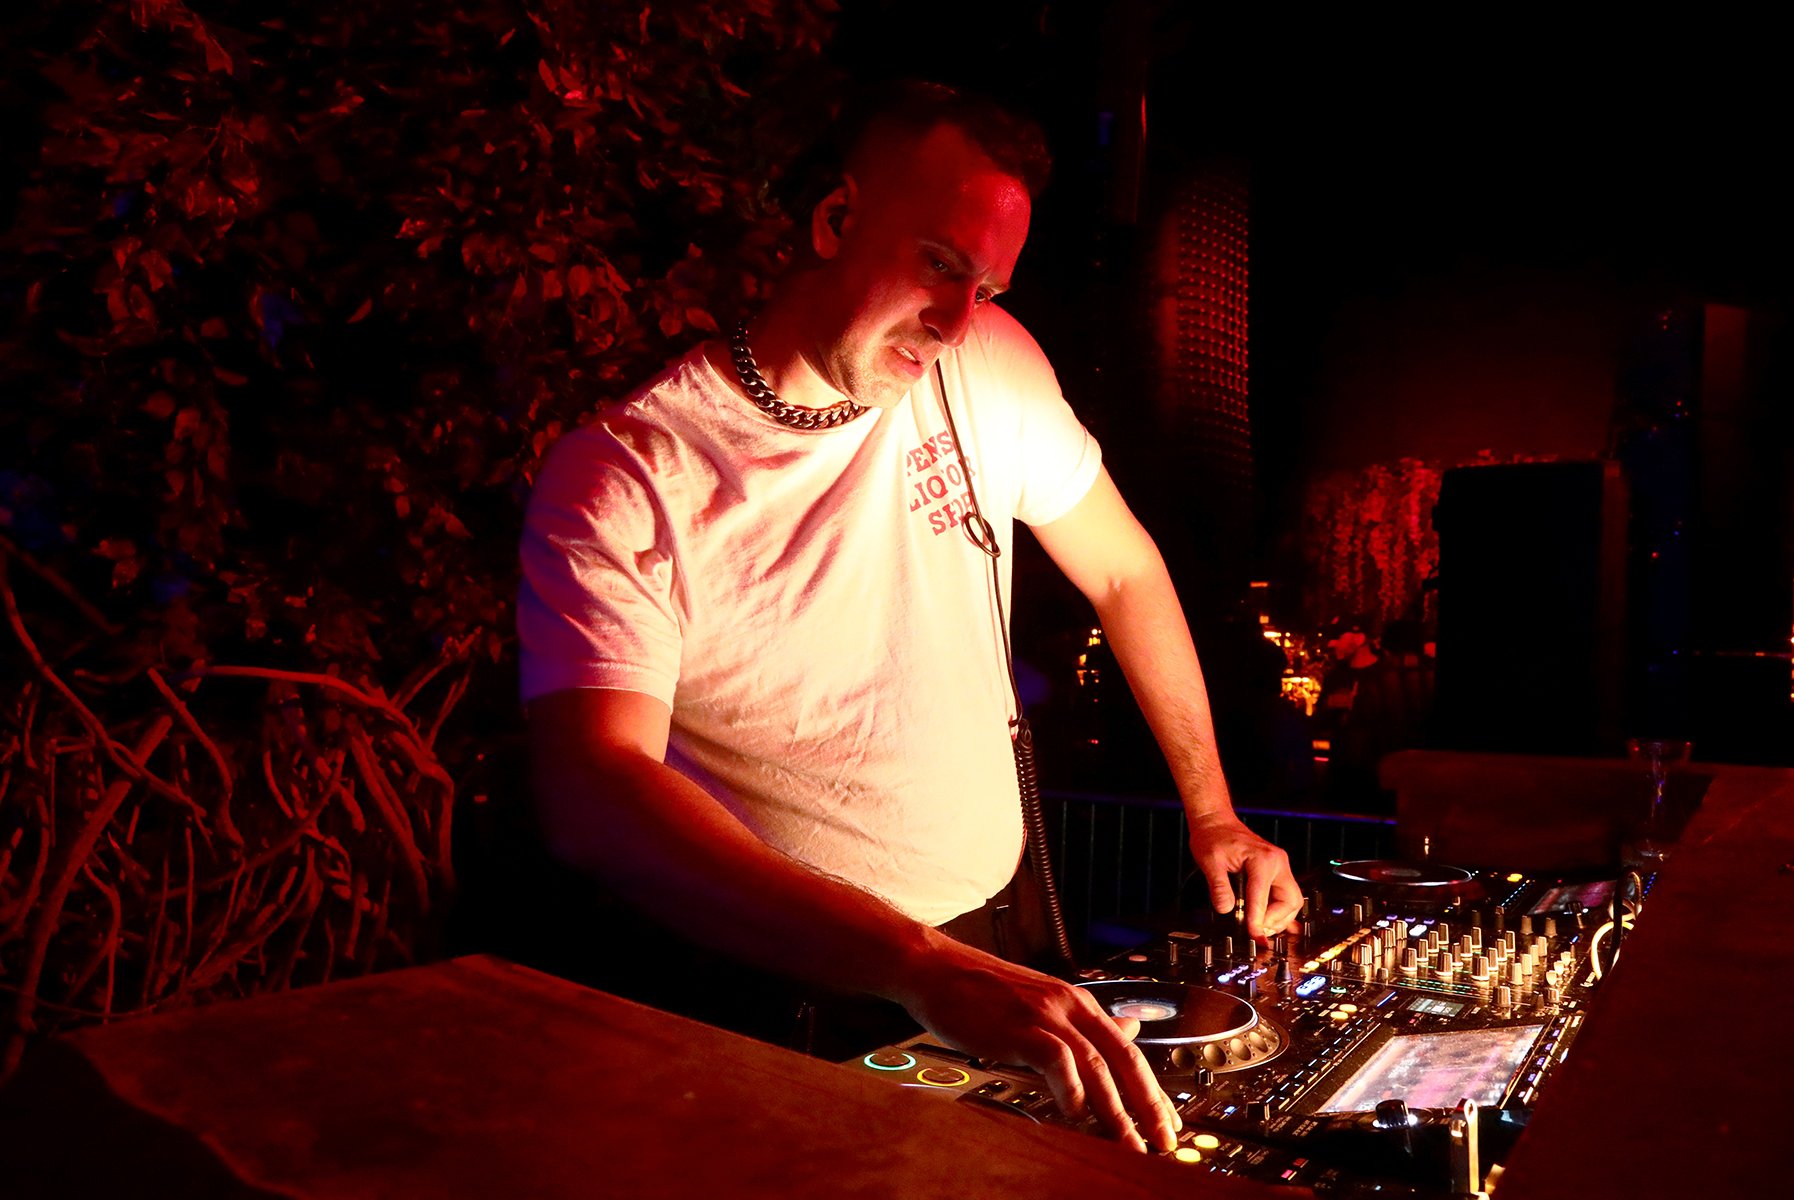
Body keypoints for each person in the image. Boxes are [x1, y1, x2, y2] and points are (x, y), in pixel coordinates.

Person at [517, 82, 1301, 1153]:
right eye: (939, 263)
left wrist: (1212, 812)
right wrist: (915, 966)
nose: (957, 322)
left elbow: (1123, 570)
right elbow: (595, 793)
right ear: (836, 219)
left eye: (987, 287)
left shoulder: (992, 362)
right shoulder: (629, 474)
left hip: (995, 947)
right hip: (791, 986)